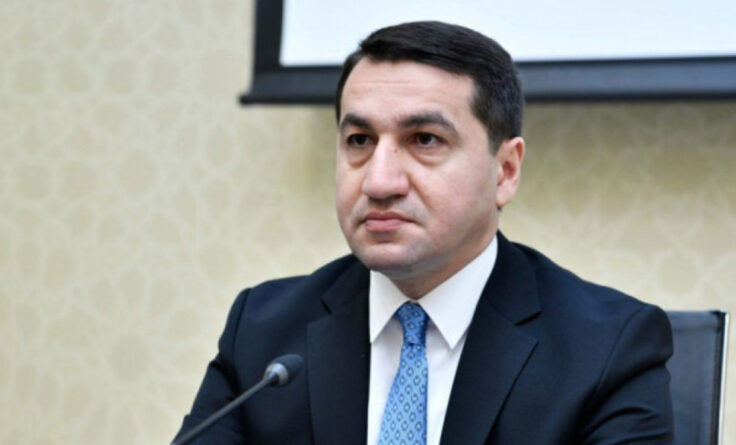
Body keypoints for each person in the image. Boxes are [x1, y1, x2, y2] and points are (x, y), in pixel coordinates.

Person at [174, 21, 674, 444]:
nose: (378, 181)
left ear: (505, 171)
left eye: (425, 140)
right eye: (360, 140)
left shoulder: (607, 349)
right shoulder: (263, 332)